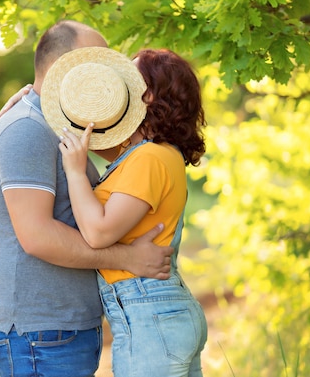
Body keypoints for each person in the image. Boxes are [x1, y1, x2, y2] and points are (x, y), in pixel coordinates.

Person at [0, 21, 174, 377]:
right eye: (94, 62)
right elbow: (37, 236)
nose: (105, 75)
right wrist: (130, 258)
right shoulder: (27, 130)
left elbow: (135, 149)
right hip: (39, 332)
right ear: (61, 69)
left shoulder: (57, 126)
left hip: (61, 329)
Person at [41, 46, 208, 376]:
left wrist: (75, 173)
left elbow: (99, 233)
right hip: (159, 311)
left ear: (148, 96)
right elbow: (86, 126)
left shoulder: (150, 158)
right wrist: (31, 98)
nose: (118, 84)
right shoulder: (152, 155)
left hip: (150, 315)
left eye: (128, 79)